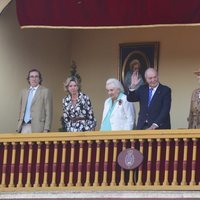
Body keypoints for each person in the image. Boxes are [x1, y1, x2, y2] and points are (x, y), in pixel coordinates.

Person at [17, 69, 53, 133]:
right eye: (32, 76)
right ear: (28, 79)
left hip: (38, 128)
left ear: (39, 79)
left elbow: (49, 112)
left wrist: (46, 129)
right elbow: (21, 110)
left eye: (36, 76)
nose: (34, 79)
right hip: (24, 126)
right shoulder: (23, 92)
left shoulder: (45, 91)